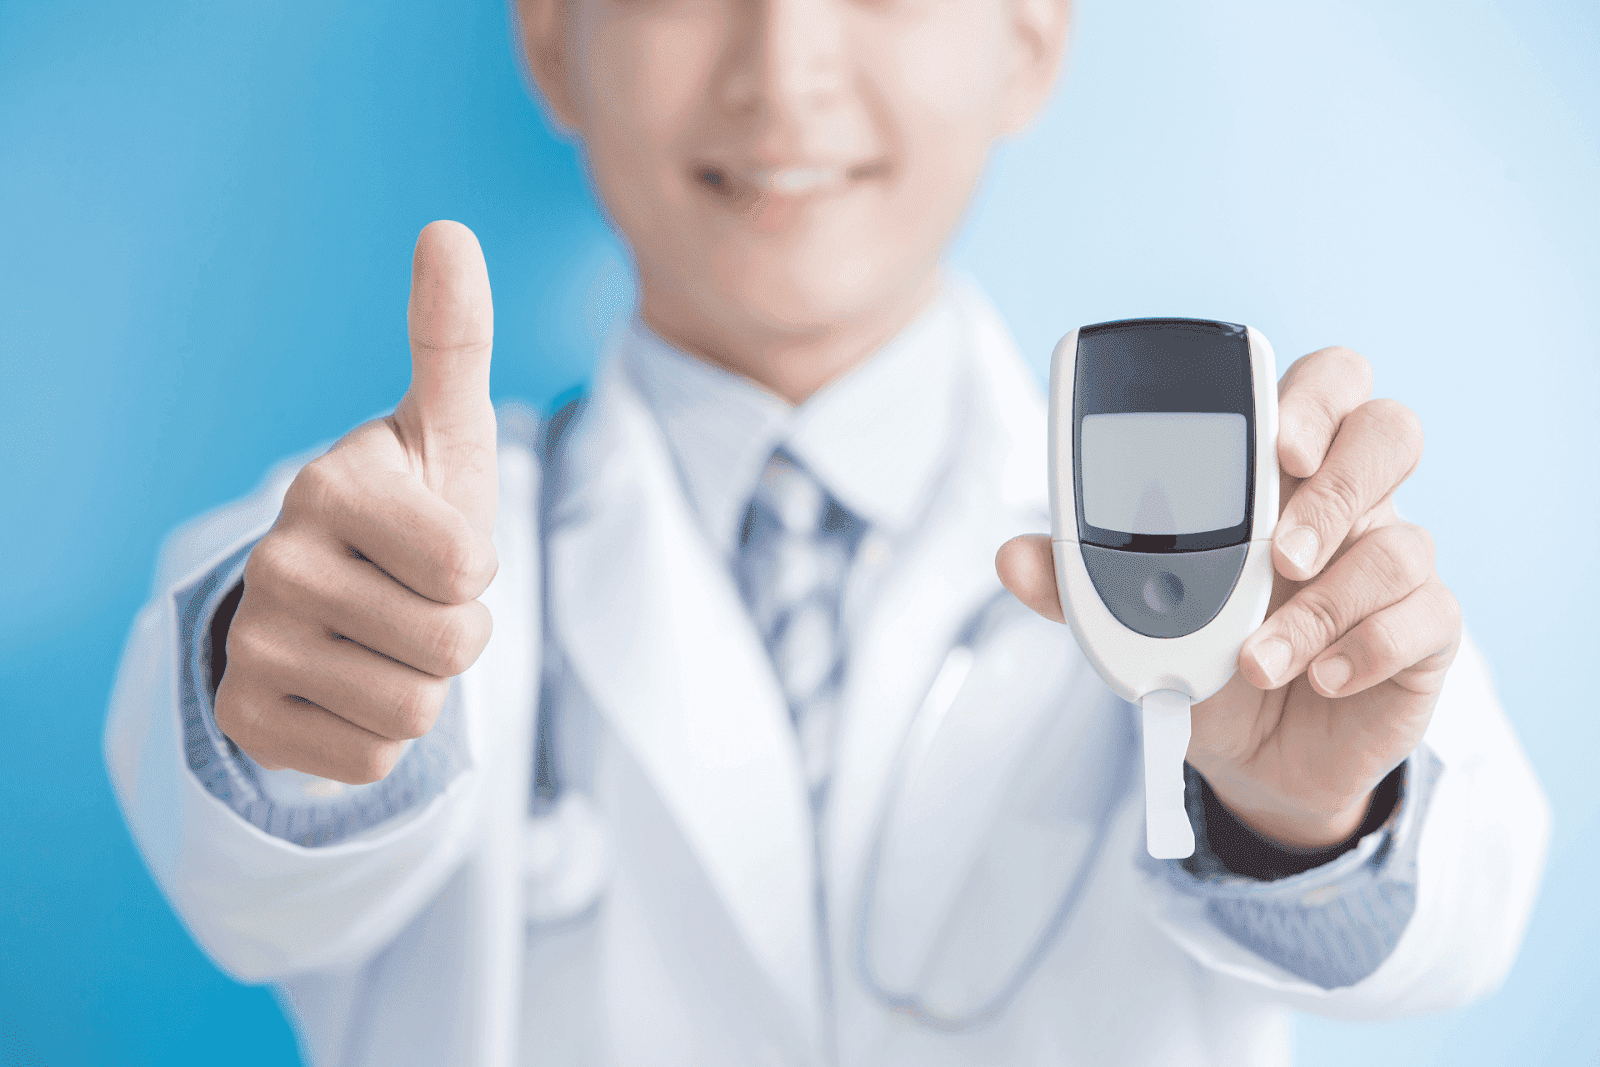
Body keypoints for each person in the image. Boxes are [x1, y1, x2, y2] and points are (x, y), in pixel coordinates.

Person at [104, 1, 1549, 1064]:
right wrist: (293, 707)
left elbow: (1461, 911)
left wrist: (1294, 823)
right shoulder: (370, 559)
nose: (783, 69)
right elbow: (245, 878)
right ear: (551, 39)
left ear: (1031, 37)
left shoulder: (1251, 542)